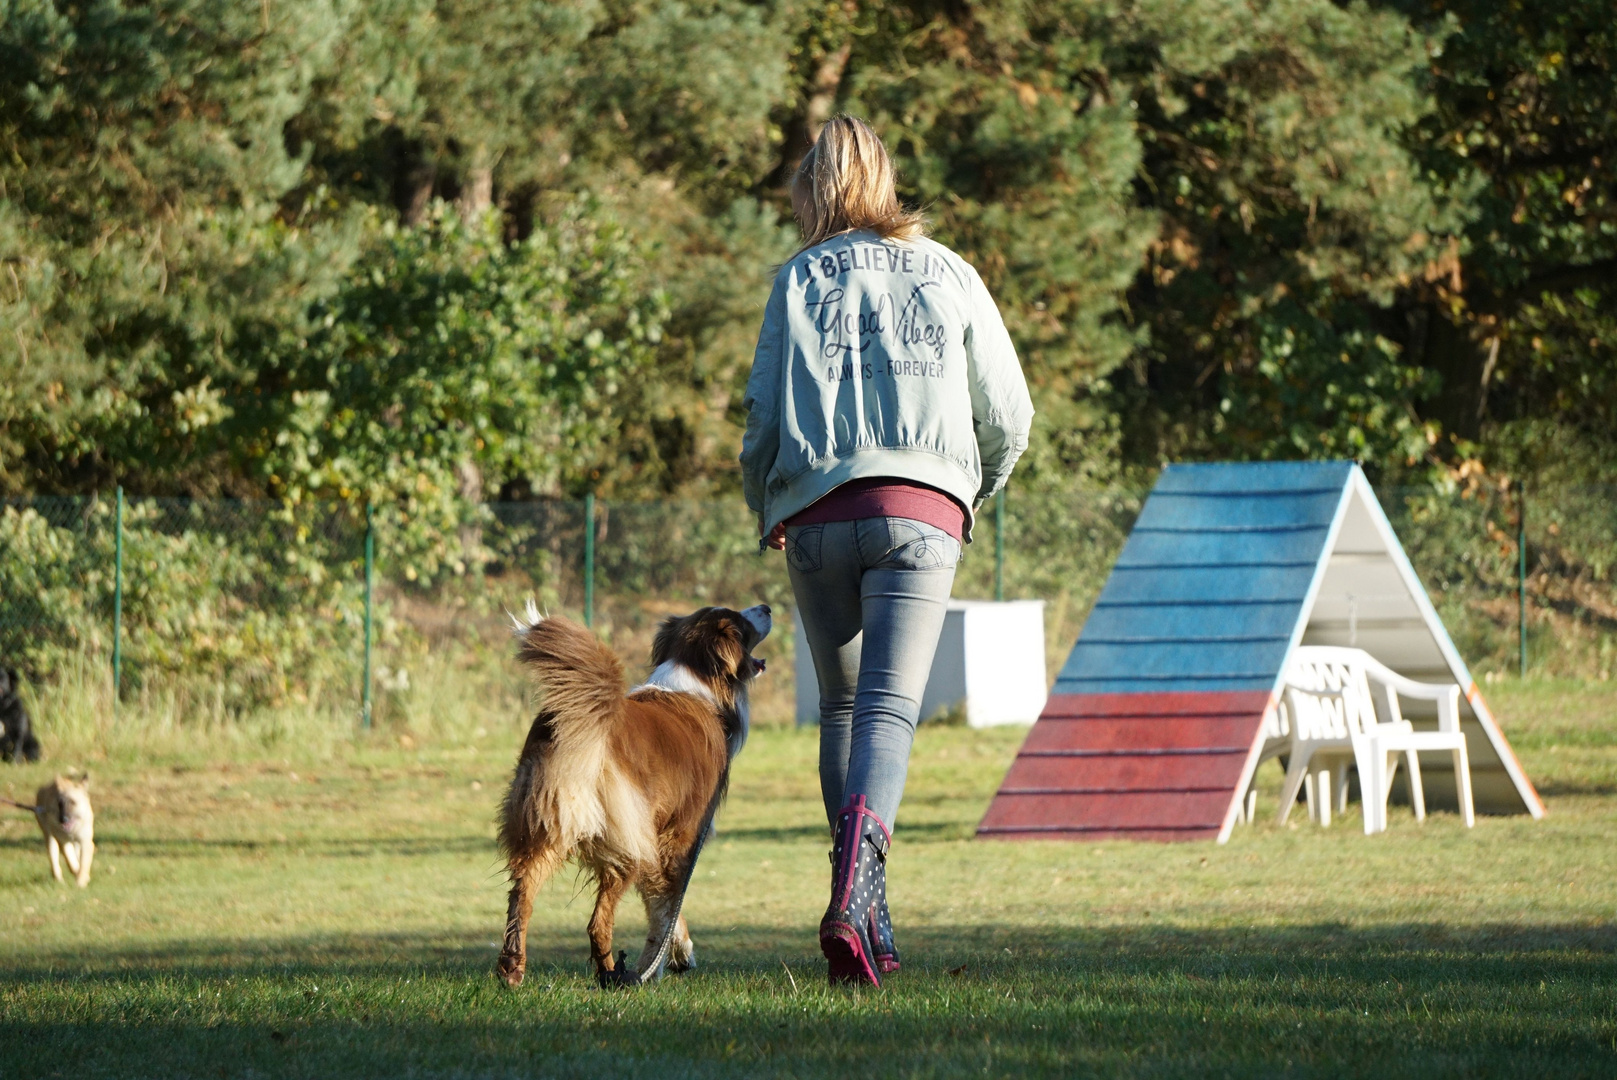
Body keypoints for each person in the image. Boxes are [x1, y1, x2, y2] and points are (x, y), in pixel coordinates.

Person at [740, 115, 1034, 986]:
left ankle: (868, 919)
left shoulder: (796, 278)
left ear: (811, 191)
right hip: (920, 511)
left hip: (815, 518)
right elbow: (1008, 414)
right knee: (888, 712)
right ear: (887, 181)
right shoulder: (948, 270)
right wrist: (967, 491)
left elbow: (761, 418)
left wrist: (768, 500)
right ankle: (857, 905)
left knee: (839, 711)